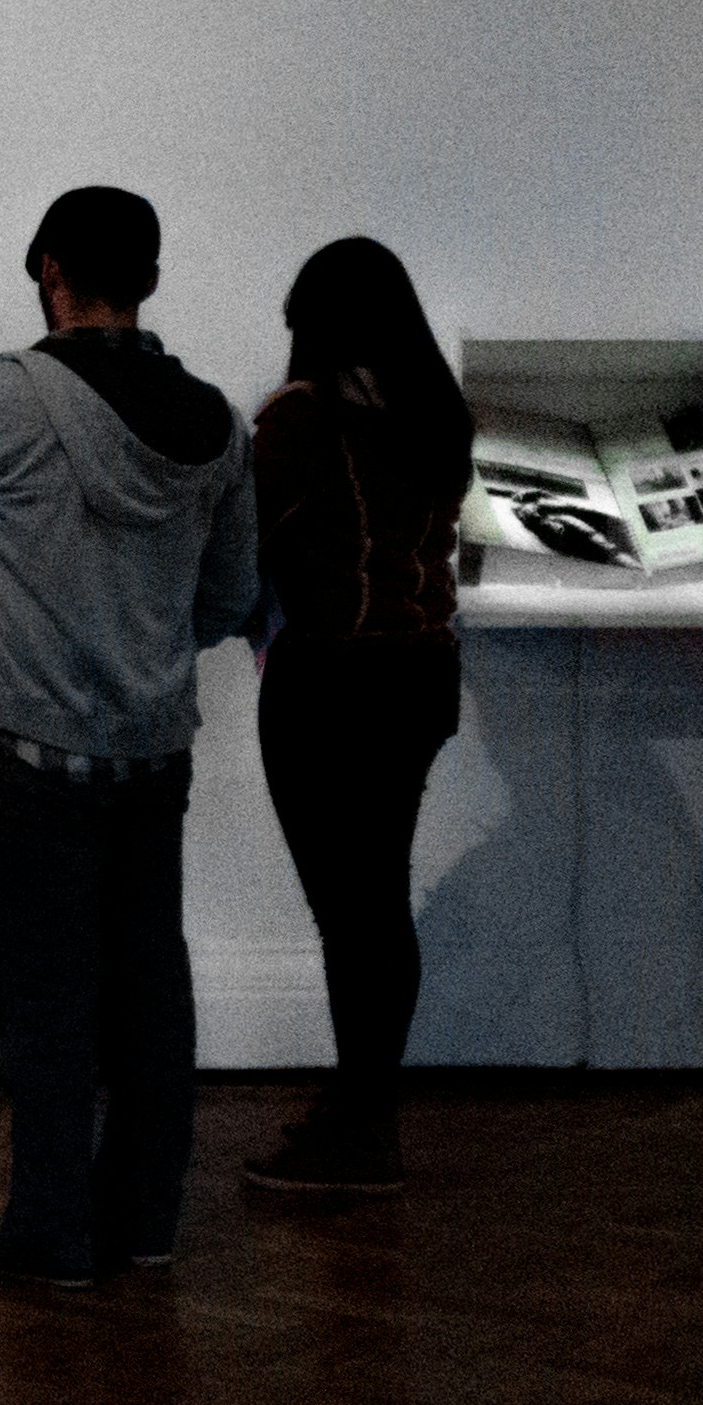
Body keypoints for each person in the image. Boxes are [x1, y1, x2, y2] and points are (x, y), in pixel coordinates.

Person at [0, 185, 261, 1284]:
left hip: (24, 749)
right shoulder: (213, 422)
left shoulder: (1, 399)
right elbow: (230, 593)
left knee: (40, 993)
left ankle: (51, 1232)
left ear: (48, 271)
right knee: (148, 984)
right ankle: (141, 1220)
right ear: (146, 278)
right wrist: (144, 653)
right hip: (151, 753)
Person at [235, 239, 470, 1199]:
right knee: (381, 899)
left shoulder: (300, 422)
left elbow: (243, 544)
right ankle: (365, 1105)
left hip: (328, 679)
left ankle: (363, 1133)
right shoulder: (438, 415)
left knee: (349, 913)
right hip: (422, 671)